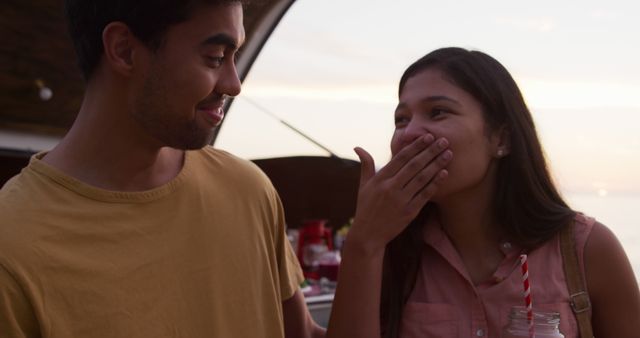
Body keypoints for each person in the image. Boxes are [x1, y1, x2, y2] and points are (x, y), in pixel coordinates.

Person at [0, 1, 325, 337]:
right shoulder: (11, 248)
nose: (233, 84)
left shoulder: (250, 191)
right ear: (124, 50)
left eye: (235, 58)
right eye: (215, 58)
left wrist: (367, 246)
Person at [327, 47, 640, 338]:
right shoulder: (386, 252)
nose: (409, 133)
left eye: (437, 112)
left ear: (501, 139)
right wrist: (363, 243)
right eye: (401, 119)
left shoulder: (587, 249)